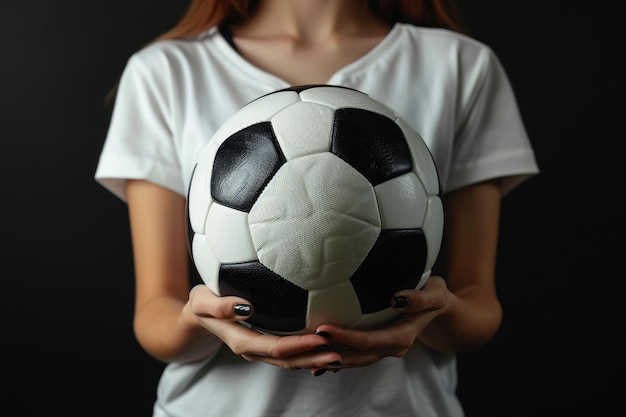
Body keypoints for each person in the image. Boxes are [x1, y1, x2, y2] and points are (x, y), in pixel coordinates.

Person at [95, 0, 539, 416]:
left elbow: (478, 307)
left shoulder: (460, 65)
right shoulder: (166, 71)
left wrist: (433, 315)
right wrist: (198, 322)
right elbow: (156, 317)